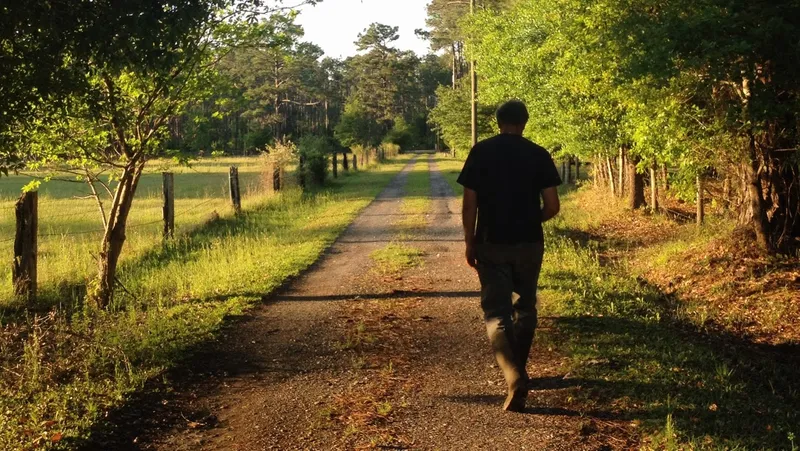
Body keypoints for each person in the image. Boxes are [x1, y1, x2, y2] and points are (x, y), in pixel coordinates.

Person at [457, 100, 562, 412]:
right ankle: (521, 369)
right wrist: (531, 220)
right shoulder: (539, 154)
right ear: (525, 122)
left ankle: (515, 376)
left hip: (491, 242)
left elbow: (469, 204)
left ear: (498, 122)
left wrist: (469, 241)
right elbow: (553, 206)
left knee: (496, 312)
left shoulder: (481, 152)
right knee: (525, 306)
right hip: (530, 242)